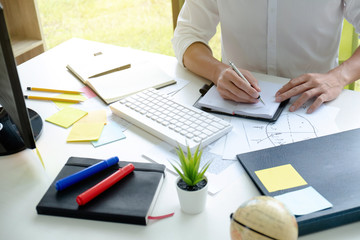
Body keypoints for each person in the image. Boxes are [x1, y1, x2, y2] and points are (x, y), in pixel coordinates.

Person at [172, 0, 360, 114]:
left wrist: (338, 77)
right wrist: (218, 72)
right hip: (235, 105)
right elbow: (187, 35)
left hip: (314, 106)